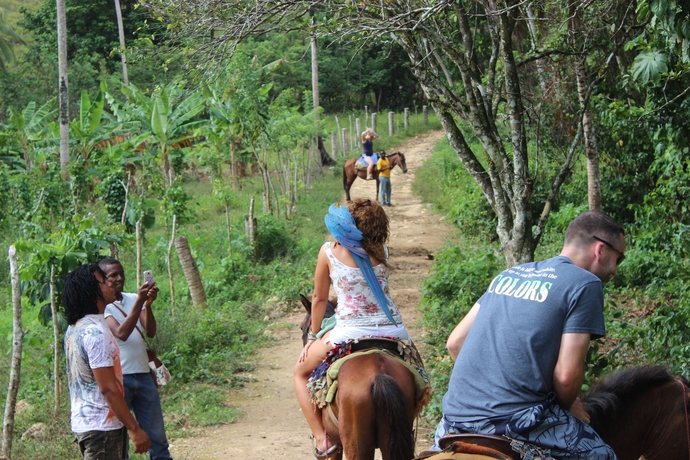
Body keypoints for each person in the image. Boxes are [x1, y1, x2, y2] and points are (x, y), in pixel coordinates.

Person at [432, 210, 625, 459]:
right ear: (600, 249)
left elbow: (455, 343)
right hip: (515, 422)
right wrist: (567, 407)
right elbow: (566, 377)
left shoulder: (510, 274)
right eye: (618, 259)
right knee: (603, 455)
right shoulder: (585, 283)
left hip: (453, 420)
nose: (615, 271)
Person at [294, 199, 410, 458]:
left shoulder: (329, 251)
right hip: (393, 330)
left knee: (300, 373)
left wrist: (314, 336)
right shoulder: (383, 250)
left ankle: (322, 440)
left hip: (348, 331)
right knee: (418, 374)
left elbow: (319, 299)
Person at [63, 263, 150, 459]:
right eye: (104, 281)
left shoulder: (75, 328)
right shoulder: (96, 333)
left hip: (87, 424)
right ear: (92, 291)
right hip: (102, 427)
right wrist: (135, 429)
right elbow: (108, 389)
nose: (111, 283)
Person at [99, 258, 173, 460]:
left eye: (121, 273)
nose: (119, 278)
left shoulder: (133, 298)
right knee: (119, 440)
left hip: (143, 376)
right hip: (120, 380)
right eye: (113, 275)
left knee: (158, 438)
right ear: (102, 279)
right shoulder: (103, 307)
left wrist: (147, 305)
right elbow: (121, 333)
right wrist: (140, 302)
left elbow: (150, 331)